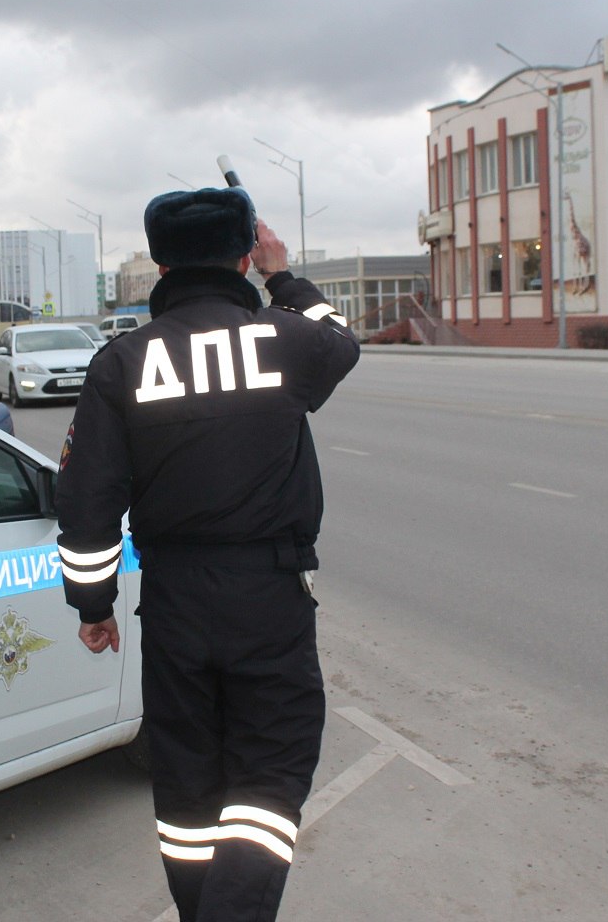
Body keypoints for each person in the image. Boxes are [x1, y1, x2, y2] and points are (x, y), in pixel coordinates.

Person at [56, 186, 359, 922]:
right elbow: (341, 337)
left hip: (174, 605)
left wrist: (93, 606)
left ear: (160, 263)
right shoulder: (287, 339)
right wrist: (284, 277)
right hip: (270, 598)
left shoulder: (121, 362)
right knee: (271, 776)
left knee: (189, 798)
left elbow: (87, 502)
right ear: (244, 254)